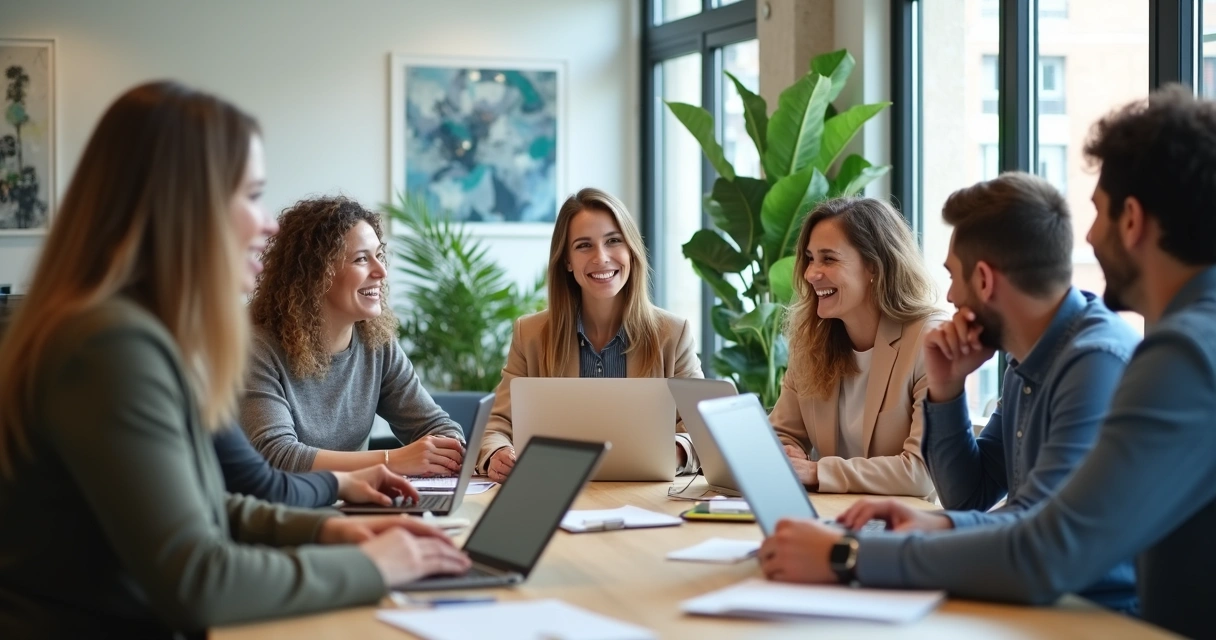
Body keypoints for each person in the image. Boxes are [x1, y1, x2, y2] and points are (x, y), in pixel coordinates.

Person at [0, 81, 469, 638]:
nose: (269, 224)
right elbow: (198, 581)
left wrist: (327, 533)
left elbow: (204, 504)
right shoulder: (109, 347)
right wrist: (373, 566)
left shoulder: (136, 332)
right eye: (251, 195)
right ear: (182, 204)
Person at [756, 86, 1216, 639]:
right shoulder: (1039, 358)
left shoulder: (1169, 355)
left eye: (1098, 213)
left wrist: (848, 556)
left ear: (1134, 220)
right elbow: (983, 498)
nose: (1089, 236)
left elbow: (1050, 549)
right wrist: (937, 507)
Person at [836, 172, 1140, 612]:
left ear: (983, 279)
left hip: (1097, 614)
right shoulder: (1026, 357)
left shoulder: (1095, 361)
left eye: (953, 277)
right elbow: (970, 495)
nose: (952, 295)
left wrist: (884, 546)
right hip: (1041, 601)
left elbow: (1036, 527)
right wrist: (946, 389)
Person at [477, 188, 703, 482]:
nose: (601, 257)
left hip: (647, 498)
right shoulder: (530, 334)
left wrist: (675, 452)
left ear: (631, 250)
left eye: (613, 241)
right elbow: (496, 425)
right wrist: (497, 454)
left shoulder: (673, 333)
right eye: (584, 245)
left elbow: (703, 428)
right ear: (567, 261)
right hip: (556, 493)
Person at [243, 196, 466, 476]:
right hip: (285, 511)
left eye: (379, 255)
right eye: (362, 259)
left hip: (353, 504)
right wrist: (392, 460)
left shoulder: (376, 341)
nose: (381, 271)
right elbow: (277, 455)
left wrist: (451, 448)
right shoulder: (255, 346)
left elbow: (433, 425)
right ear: (315, 274)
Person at [769, 197, 944, 498]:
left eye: (829, 259)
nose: (811, 273)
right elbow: (783, 433)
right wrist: (787, 453)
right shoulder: (811, 340)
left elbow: (921, 473)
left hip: (904, 526)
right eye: (810, 258)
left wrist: (816, 471)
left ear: (873, 267)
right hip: (832, 514)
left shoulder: (929, 340)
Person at [214, 427, 419, 508]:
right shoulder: (259, 349)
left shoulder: (377, 346)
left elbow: (234, 511)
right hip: (293, 507)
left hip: (328, 506)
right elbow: (278, 459)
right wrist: (390, 459)